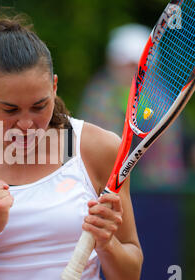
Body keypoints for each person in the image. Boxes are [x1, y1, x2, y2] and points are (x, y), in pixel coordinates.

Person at [0, 13, 143, 280]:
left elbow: (128, 279)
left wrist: (106, 243)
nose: (26, 124)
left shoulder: (99, 147)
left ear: (54, 87)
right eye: (10, 110)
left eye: (40, 106)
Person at [77, 24, 186, 189]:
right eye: (124, 64)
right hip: (109, 184)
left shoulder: (160, 96)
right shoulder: (99, 95)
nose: (129, 71)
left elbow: (169, 146)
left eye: (134, 65)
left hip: (157, 189)